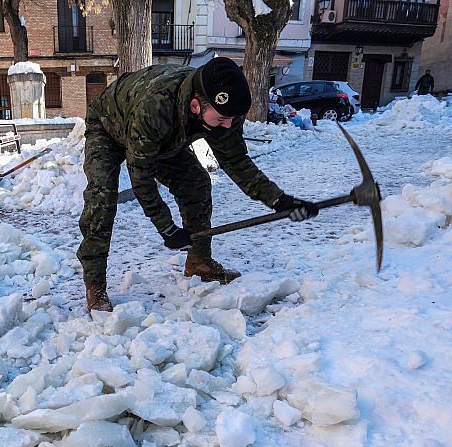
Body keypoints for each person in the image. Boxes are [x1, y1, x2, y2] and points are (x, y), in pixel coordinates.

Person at [77, 57, 319, 312]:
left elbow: (236, 161)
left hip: (162, 137)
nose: (228, 126)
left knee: (197, 183)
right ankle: (95, 284)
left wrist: (279, 200)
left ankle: (199, 260)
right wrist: (167, 228)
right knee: (101, 199)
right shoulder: (155, 106)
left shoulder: (225, 108)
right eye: (221, 120)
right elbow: (141, 177)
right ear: (195, 105)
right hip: (108, 125)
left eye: (231, 120)